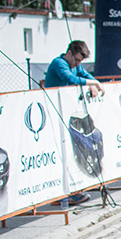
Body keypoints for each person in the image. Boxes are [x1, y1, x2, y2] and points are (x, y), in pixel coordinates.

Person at [44, 40, 104, 205]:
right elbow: (69, 78)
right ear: (69, 52)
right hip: (54, 113)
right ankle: (59, 196)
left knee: (72, 153)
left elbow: (85, 75)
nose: (78, 64)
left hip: (66, 115)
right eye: (76, 60)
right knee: (60, 153)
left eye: (80, 61)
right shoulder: (59, 63)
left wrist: (93, 83)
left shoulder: (74, 65)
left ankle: (74, 189)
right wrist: (94, 84)